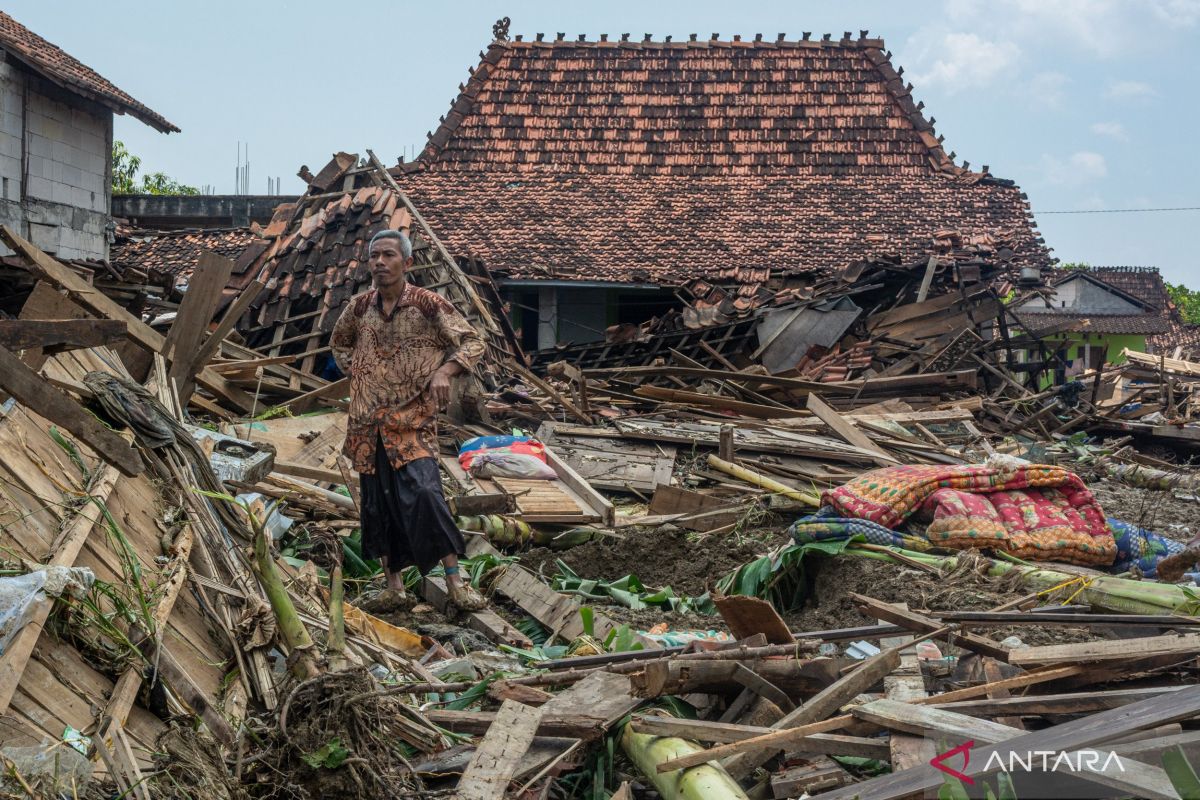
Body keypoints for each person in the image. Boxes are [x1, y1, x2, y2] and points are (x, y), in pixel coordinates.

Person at [331, 229, 488, 611]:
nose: (380, 263)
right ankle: (394, 587)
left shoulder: (427, 304)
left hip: (411, 423)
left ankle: (455, 582)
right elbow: (339, 342)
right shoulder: (359, 307)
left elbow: (473, 341)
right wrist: (359, 371)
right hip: (368, 425)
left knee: (425, 496)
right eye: (374, 256)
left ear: (407, 263)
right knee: (378, 506)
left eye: (388, 255)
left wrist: (444, 372)